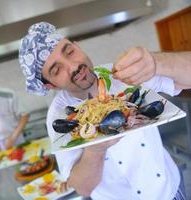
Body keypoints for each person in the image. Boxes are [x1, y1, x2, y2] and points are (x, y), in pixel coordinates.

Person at [19, 22, 187, 199]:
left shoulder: (121, 74)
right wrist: (95, 150)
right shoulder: (58, 113)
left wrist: (158, 62)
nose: (73, 66)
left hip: (170, 190)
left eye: (69, 52)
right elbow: (83, 188)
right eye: (57, 70)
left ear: (77, 45)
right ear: (50, 85)